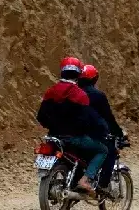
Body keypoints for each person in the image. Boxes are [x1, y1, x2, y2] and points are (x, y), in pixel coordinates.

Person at [36, 57, 109, 194]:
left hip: (53, 137)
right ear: (78, 74)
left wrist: (54, 126)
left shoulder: (50, 92)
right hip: (74, 138)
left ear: (62, 72)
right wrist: (101, 130)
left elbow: (41, 117)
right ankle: (85, 179)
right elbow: (88, 120)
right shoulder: (80, 95)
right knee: (102, 150)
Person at [78, 64, 126, 194]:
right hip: (91, 135)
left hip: (69, 133)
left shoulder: (72, 93)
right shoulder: (98, 95)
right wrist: (119, 133)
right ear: (95, 79)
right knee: (110, 151)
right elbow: (108, 118)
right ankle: (103, 185)